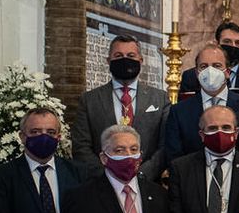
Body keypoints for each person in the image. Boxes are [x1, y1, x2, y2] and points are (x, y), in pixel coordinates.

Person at [70, 34, 169, 177]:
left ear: (141, 60)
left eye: (131, 56)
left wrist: (142, 174)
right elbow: (81, 146)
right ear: (108, 61)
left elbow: (165, 145)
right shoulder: (90, 100)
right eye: (118, 56)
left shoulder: (160, 98)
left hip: (147, 181)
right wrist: (107, 176)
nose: (125, 60)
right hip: (102, 181)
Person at [164, 43, 239, 162]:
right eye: (204, 66)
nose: (210, 71)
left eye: (217, 66)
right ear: (197, 73)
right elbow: (174, 156)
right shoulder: (179, 111)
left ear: (227, 72)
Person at [177, 20, 239, 98]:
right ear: (216, 44)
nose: (233, 46)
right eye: (227, 41)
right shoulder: (191, 76)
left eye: (238, 43)